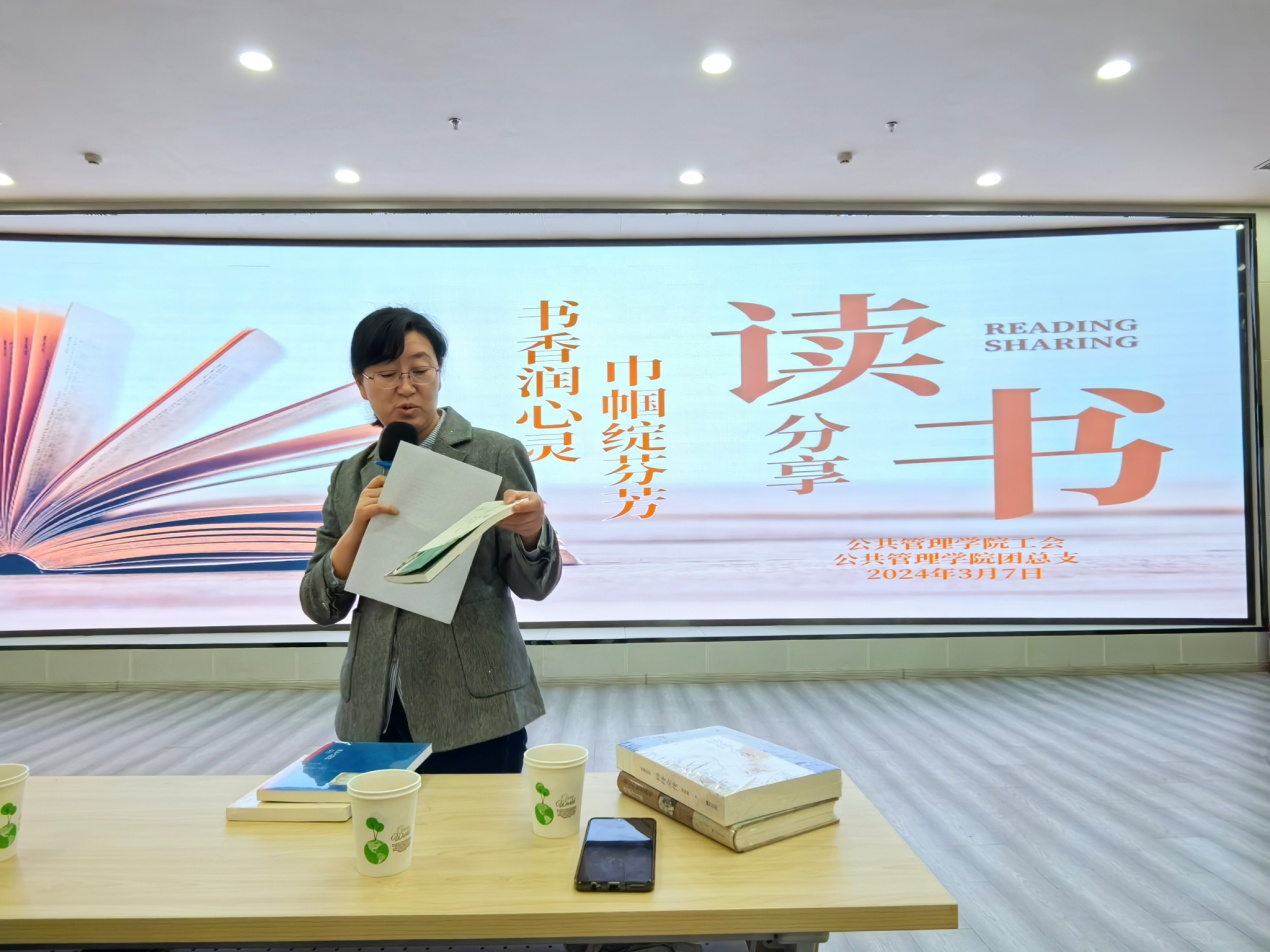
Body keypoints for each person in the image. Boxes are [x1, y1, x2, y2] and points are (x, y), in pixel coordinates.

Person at [300, 306, 561, 773]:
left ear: (439, 374)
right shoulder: (349, 476)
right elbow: (320, 606)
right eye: (387, 374)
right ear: (361, 385)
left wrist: (531, 534)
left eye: (419, 371)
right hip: (375, 713)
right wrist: (356, 534)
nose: (405, 386)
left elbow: (534, 585)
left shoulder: (493, 454)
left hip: (476, 709)